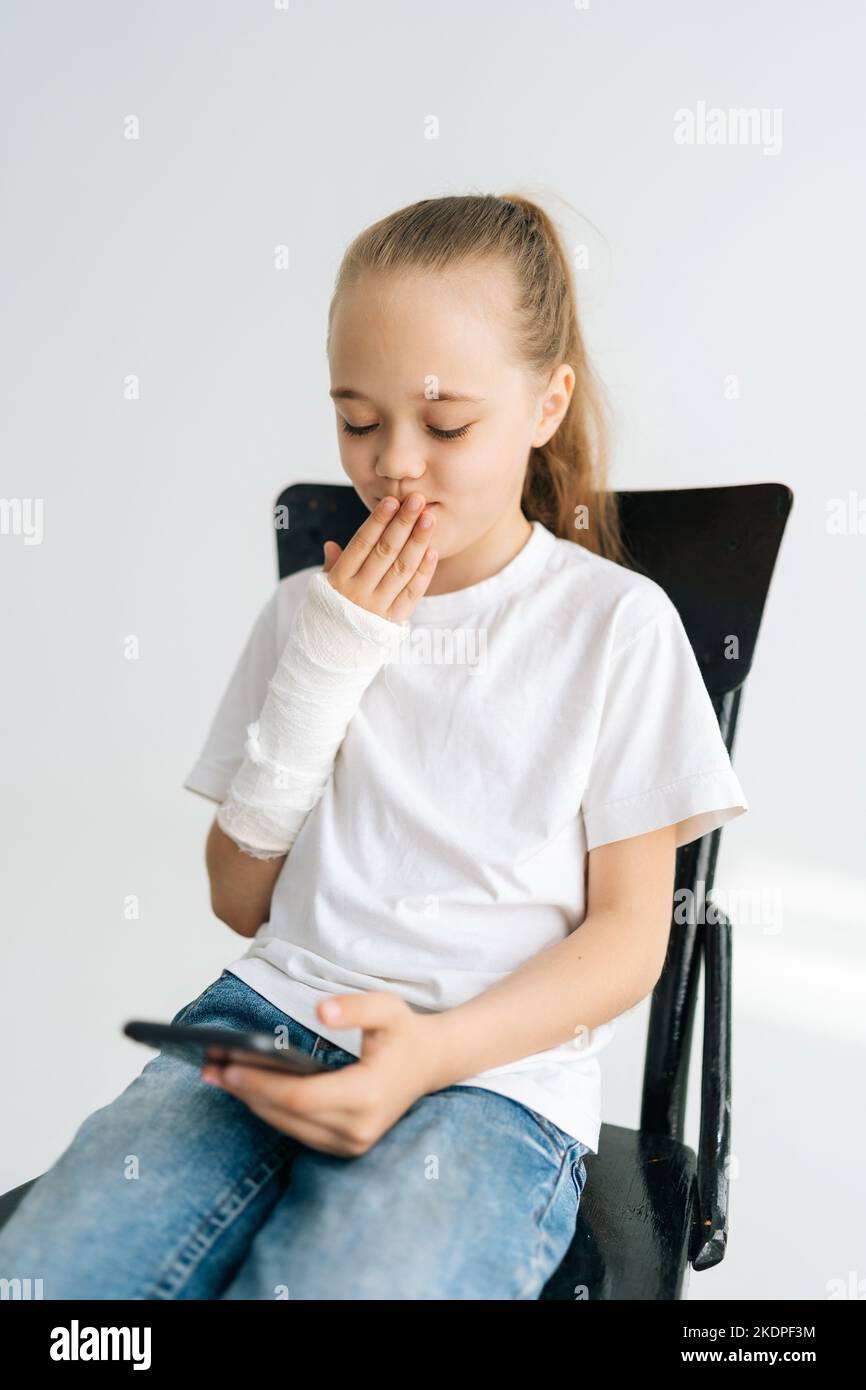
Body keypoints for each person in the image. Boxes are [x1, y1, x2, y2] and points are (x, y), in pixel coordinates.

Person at [0, 192, 748, 1300]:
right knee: (54, 1278)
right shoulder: (308, 613)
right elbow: (238, 896)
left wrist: (431, 1057)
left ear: (546, 404)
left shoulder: (614, 627)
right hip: (268, 1020)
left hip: (487, 1076)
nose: (395, 462)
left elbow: (629, 941)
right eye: (358, 420)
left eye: (446, 425)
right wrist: (327, 664)